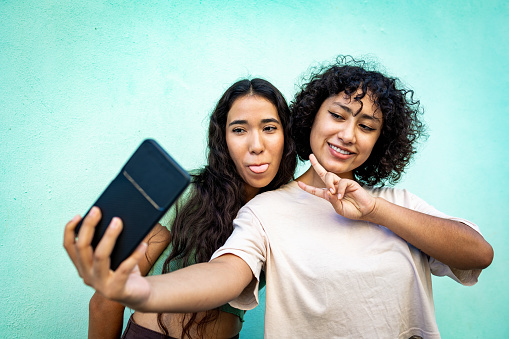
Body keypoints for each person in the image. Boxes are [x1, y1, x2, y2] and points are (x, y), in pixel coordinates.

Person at [65, 56, 493, 338]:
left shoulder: (396, 200)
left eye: (366, 126)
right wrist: (141, 291)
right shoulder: (265, 209)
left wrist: (376, 210)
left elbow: (479, 252)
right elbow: (223, 276)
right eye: (338, 115)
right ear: (311, 120)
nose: (347, 133)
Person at [77, 78, 297, 338]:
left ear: (286, 135)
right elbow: (105, 300)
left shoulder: (284, 212)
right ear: (223, 139)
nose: (256, 146)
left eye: (269, 128)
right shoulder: (187, 194)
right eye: (239, 130)